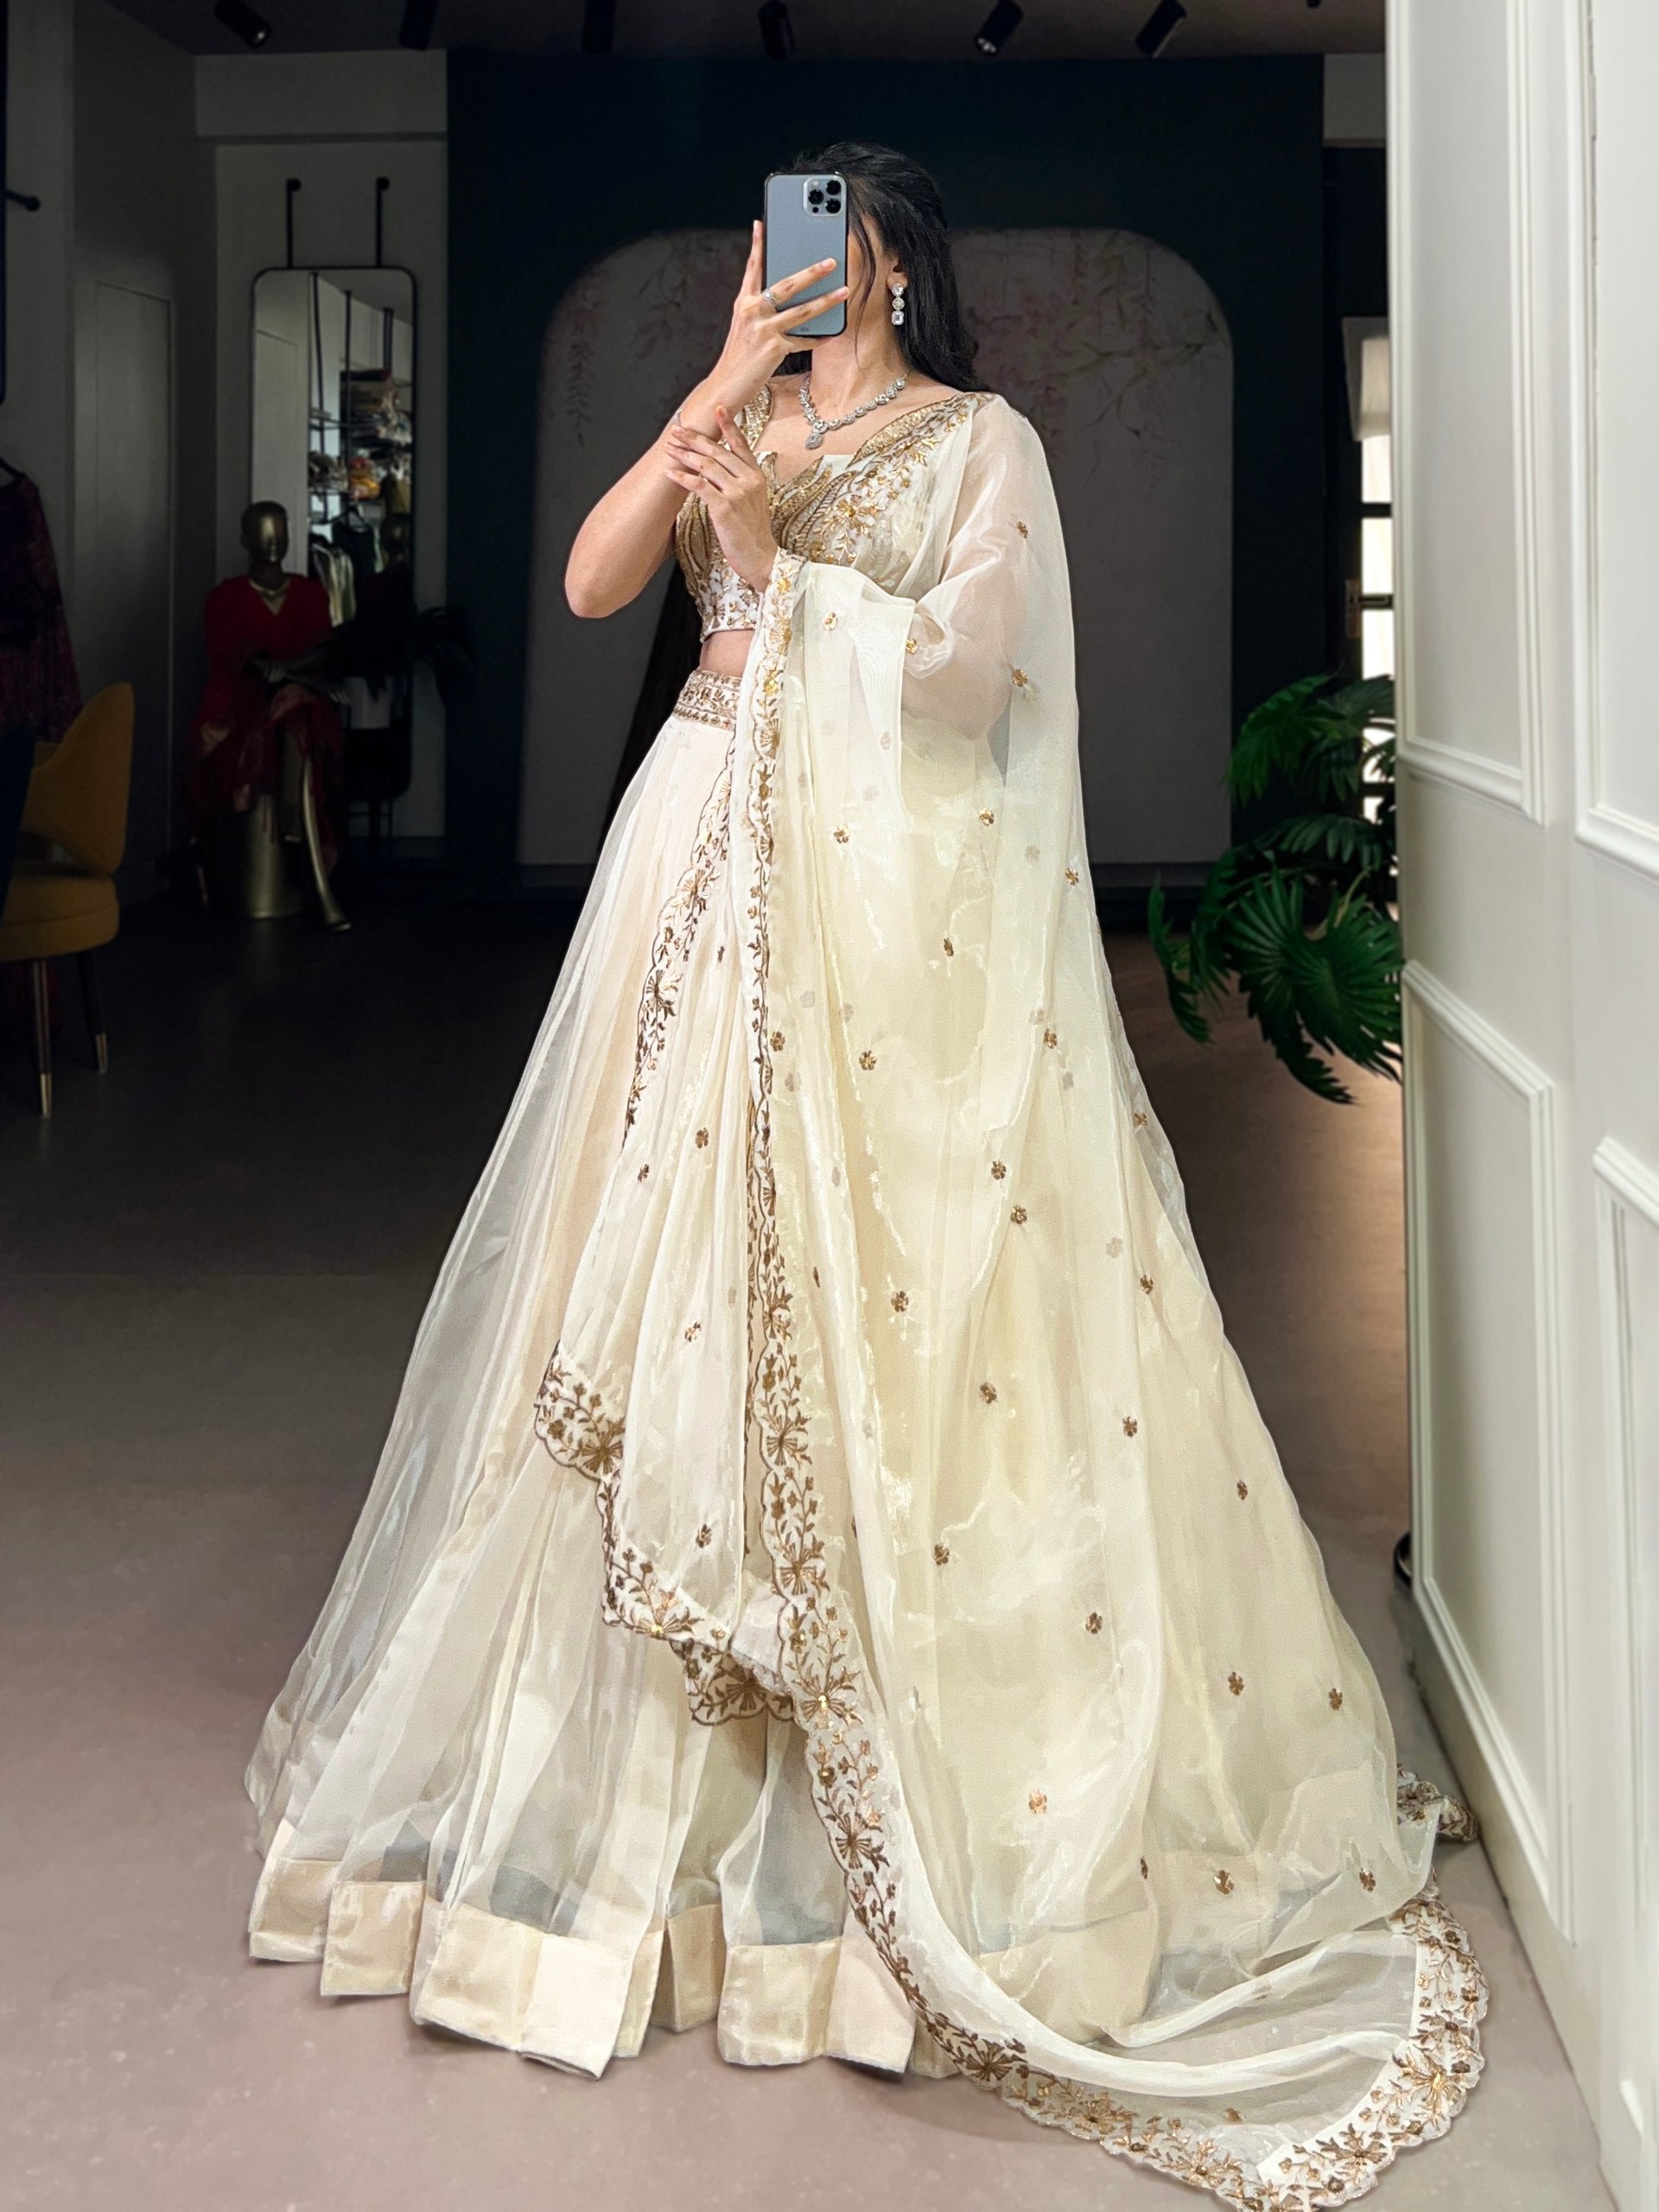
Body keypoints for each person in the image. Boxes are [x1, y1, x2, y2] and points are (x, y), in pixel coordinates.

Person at [246, 143, 1486, 2204]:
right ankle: (648, 1836)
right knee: (640, 1291)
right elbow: (595, 584)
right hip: (696, 877)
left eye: (822, 253)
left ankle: (885, 1842)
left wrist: (782, 568)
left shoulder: (982, 444)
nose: (796, 278)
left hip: (875, 921)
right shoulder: (739, 416)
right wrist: (716, 402)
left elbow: (972, 680)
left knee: (882, 1316)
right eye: (772, 252)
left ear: (893, 269)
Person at [184, 502, 348, 929]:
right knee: (288, 708)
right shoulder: (225, 598)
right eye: (262, 530)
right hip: (239, 706)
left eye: (280, 529)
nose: (273, 539)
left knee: (296, 708)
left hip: (300, 703)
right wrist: (277, 672)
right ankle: (311, 871)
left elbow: (323, 648)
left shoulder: (310, 594)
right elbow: (235, 657)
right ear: (245, 537)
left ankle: (303, 837)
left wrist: (287, 672)